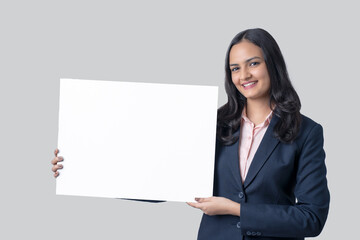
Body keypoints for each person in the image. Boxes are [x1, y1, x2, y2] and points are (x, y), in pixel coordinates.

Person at [51, 28, 330, 240]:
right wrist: (82, 169)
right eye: (235, 68)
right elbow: (162, 181)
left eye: (253, 63)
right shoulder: (211, 124)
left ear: (273, 64)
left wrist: (236, 210)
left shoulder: (306, 132)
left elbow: (311, 218)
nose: (244, 74)